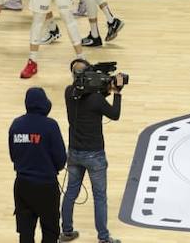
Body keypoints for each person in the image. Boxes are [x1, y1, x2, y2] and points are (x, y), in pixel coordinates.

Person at [61, 57, 125, 243]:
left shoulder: (68, 92)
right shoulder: (96, 99)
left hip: (74, 152)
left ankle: (66, 231)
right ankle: (104, 238)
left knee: (71, 192)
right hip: (95, 155)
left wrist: (105, 87)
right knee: (99, 197)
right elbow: (114, 114)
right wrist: (117, 92)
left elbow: (88, 96)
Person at [8, 86, 67, 243]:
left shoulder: (16, 124)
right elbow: (61, 158)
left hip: (22, 185)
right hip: (46, 186)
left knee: (25, 232)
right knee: (50, 231)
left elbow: (13, 156)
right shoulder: (50, 125)